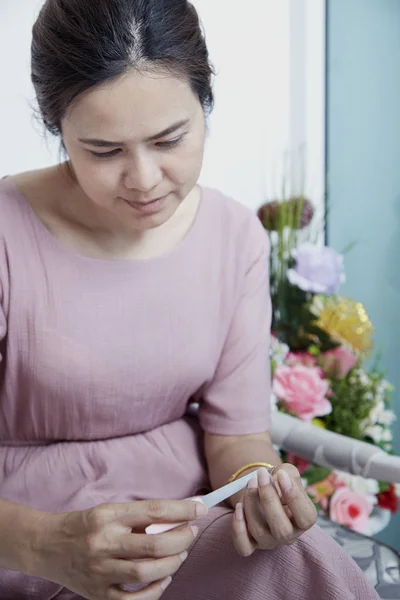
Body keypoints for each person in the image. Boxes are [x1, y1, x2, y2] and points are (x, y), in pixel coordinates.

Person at [0, 1, 380, 599]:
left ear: (205, 106)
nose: (145, 178)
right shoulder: (6, 236)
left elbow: (236, 437)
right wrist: (49, 545)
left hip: (186, 531)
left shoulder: (234, 239)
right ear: (57, 129)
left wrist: (259, 489)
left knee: (294, 558)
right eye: (103, 150)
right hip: (29, 548)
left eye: (169, 139)